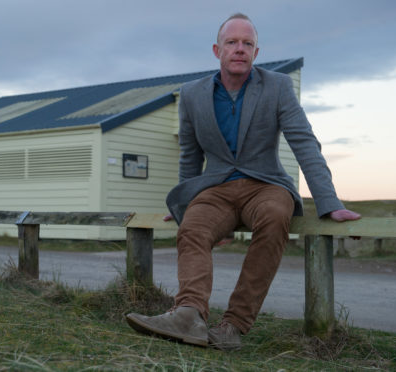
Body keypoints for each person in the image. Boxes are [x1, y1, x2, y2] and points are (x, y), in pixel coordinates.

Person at [125, 13, 361, 350]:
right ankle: (188, 315)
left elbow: (304, 142)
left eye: (247, 43)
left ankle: (233, 326)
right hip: (215, 189)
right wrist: (183, 204)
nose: (240, 49)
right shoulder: (192, 94)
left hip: (266, 185)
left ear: (256, 50)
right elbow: (189, 155)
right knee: (191, 227)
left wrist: (329, 202)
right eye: (232, 42)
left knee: (275, 217)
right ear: (216, 49)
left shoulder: (277, 86)